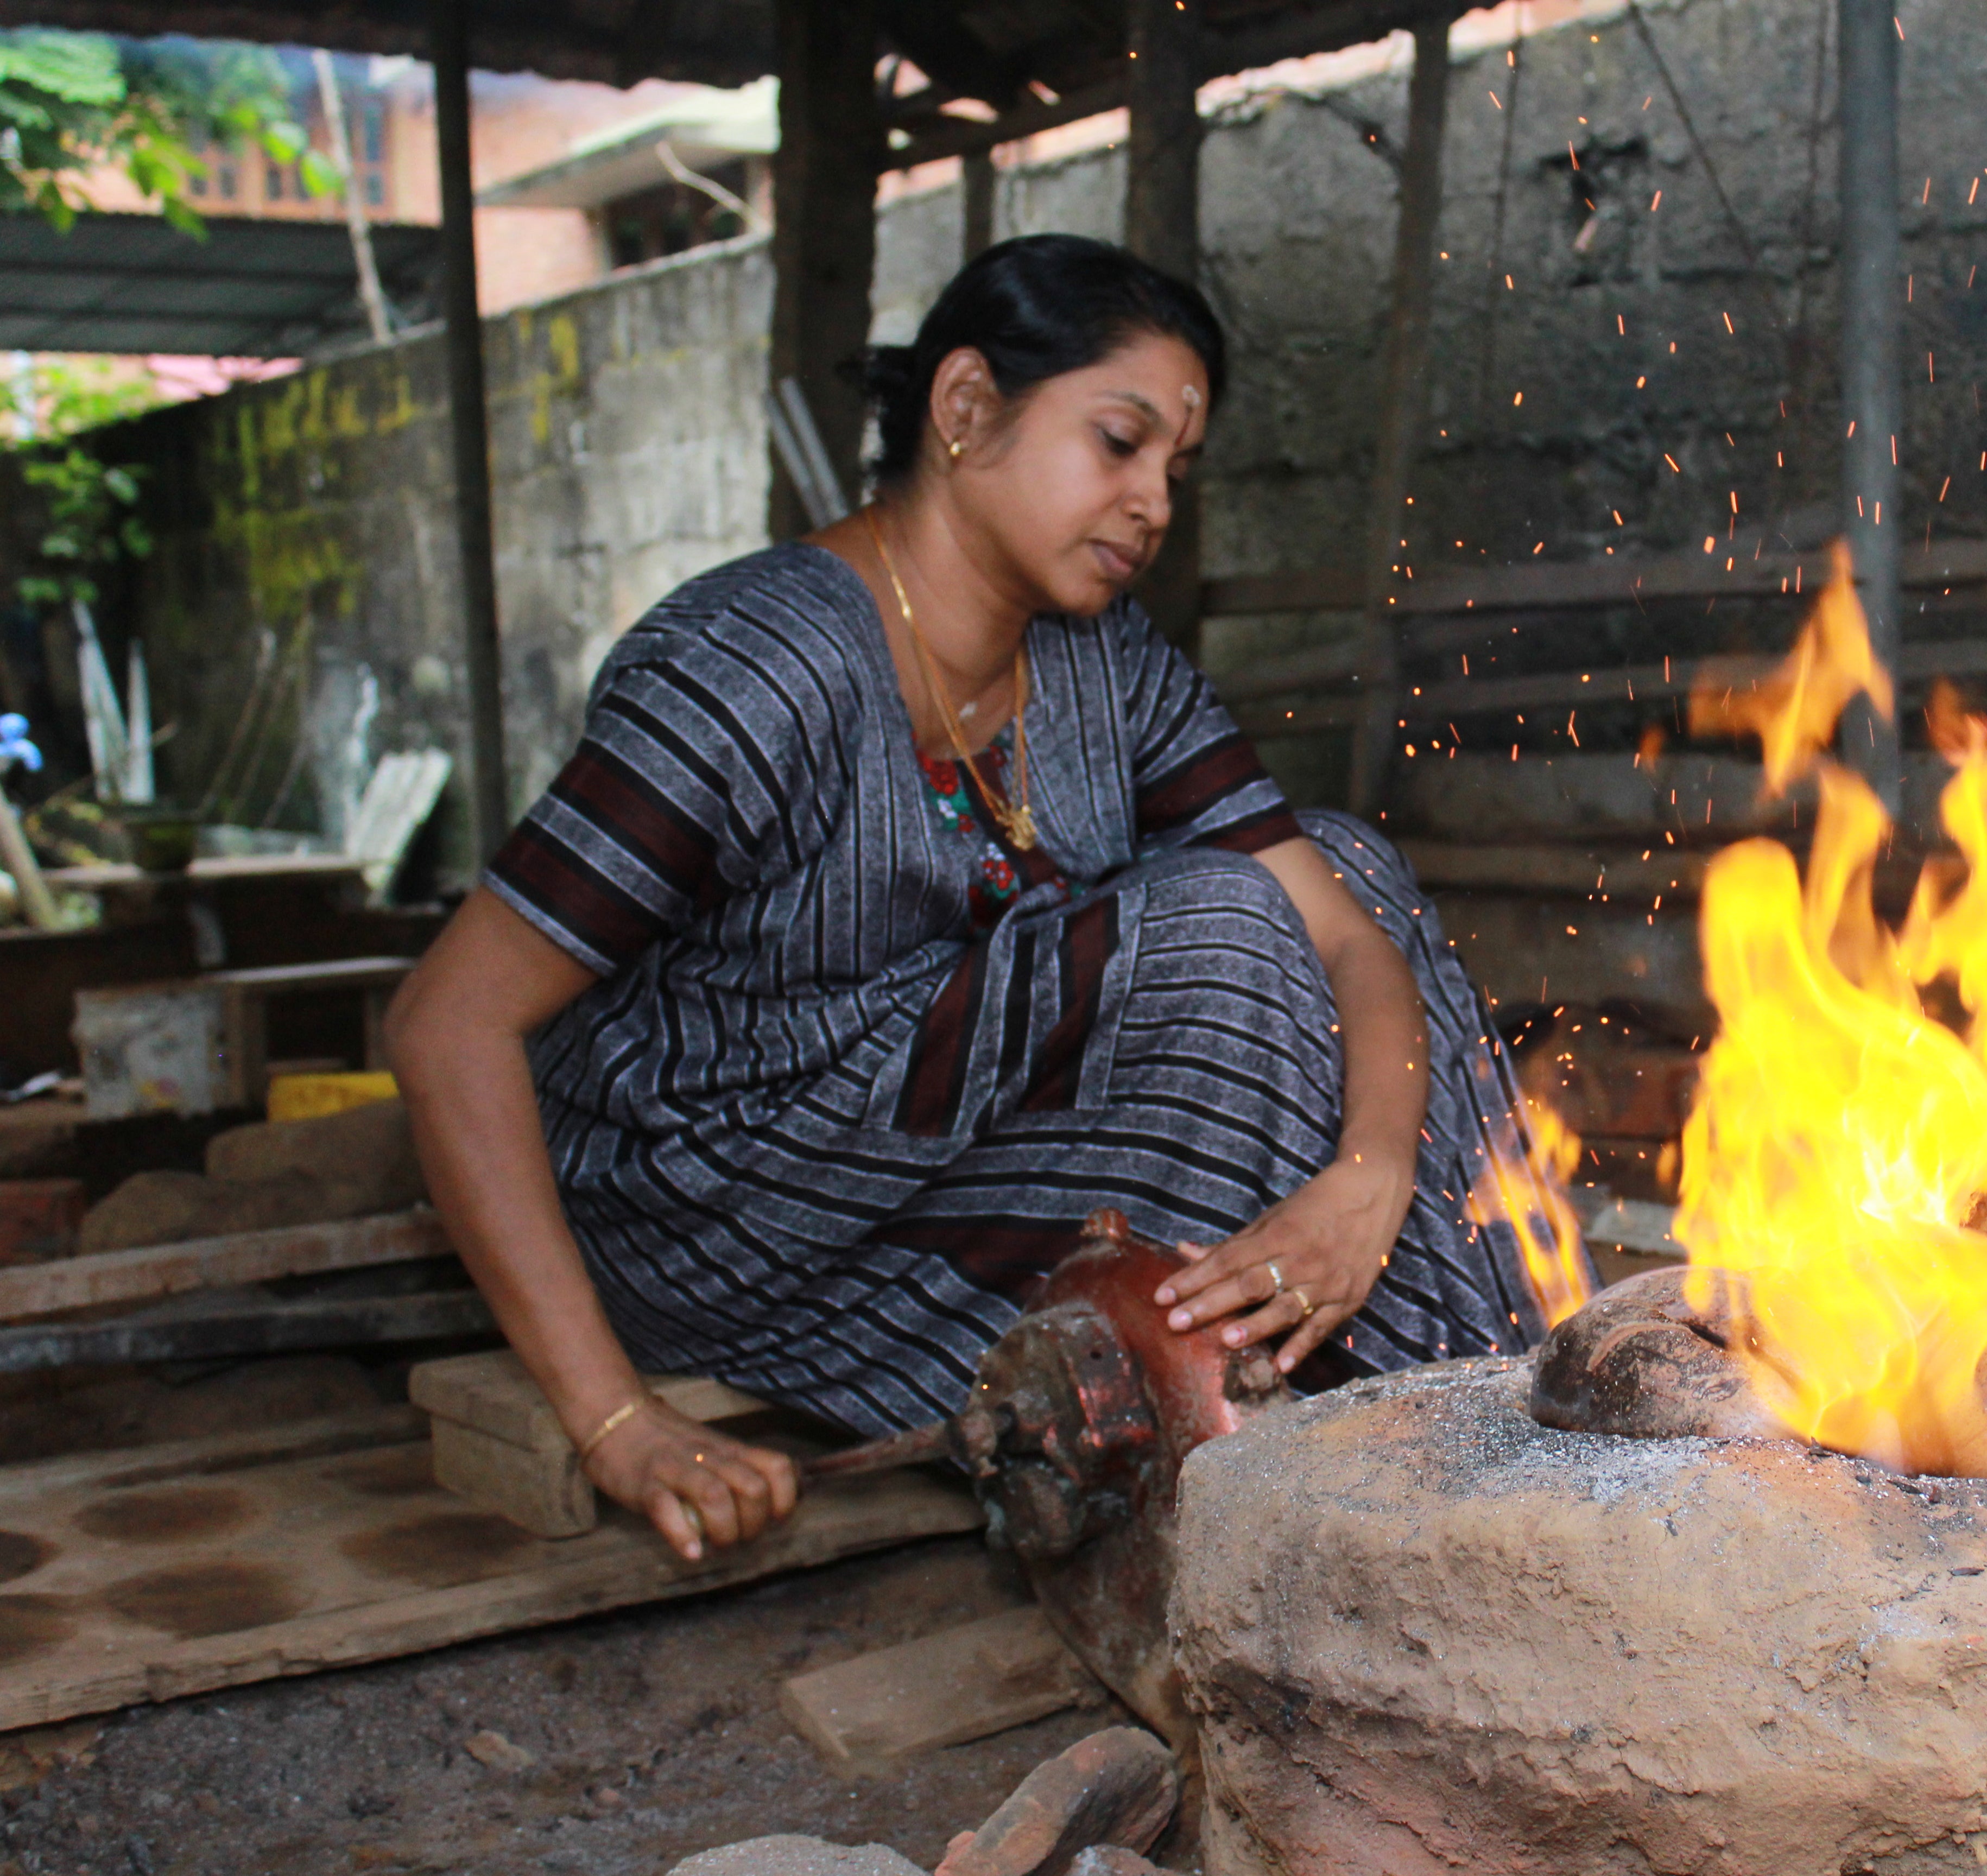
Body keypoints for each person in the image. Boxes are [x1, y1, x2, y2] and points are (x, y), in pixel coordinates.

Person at [386, 235, 1572, 1563]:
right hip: (711, 1212)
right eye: (1118, 443)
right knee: (1219, 927)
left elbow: (1348, 928)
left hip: (938, 1169)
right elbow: (447, 1026)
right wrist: (618, 1422)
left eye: (1173, 471)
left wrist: (1369, 1176)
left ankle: (1515, 1421)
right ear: (963, 409)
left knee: (1343, 862)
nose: (1152, 504)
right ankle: (1468, 1470)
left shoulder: (1102, 663)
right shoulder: (756, 670)